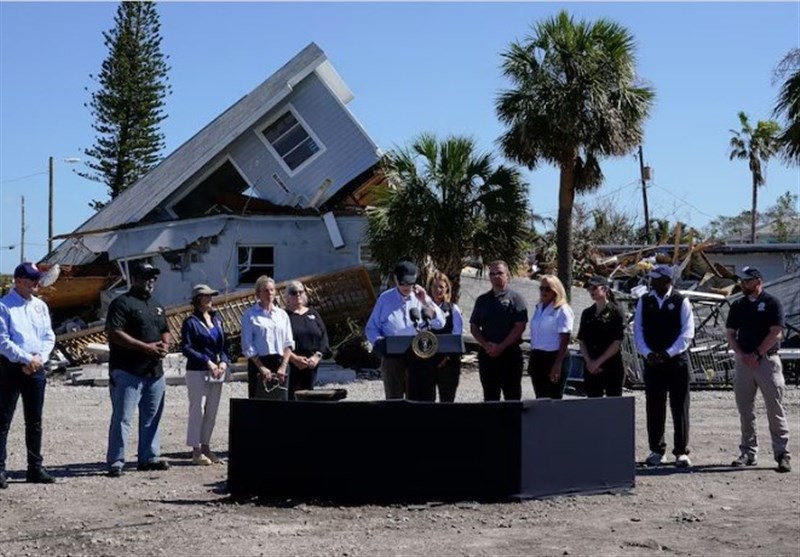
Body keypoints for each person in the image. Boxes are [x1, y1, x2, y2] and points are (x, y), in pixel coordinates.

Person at [106, 262, 173, 477]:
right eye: (146, 277)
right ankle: (116, 461)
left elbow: (165, 330)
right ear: (134, 278)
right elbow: (115, 333)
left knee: (152, 417)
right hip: (127, 370)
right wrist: (145, 347)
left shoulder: (157, 305)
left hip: (154, 372)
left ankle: (149, 457)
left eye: (153, 277)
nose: (150, 281)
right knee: (123, 417)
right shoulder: (121, 303)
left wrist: (165, 344)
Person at [725, 266, 791, 473]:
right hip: (744, 363)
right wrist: (742, 354)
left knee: (774, 408)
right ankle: (748, 451)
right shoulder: (738, 305)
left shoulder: (772, 303)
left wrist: (757, 353)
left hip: (767, 361)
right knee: (745, 409)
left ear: (757, 281)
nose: (743, 284)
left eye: (747, 281)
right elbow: (730, 333)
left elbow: (776, 332)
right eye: (742, 281)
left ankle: (782, 453)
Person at [0, 262, 56, 489]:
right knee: (3, 419)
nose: (37, 283)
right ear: (19, 281)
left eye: (37, 279)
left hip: (35, 368)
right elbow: (3, 341)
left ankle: (35, 467)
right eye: (32, 279)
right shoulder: (4, 306)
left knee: (34, 421)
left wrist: (38, 359)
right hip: (11, 368)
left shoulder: (40, 306)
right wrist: (26, 359)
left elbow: (48, 336)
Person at [634, 264, 695, 468]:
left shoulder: (681, 300)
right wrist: (647, 353)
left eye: (656, 278)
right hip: (652, 361)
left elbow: (687, 333)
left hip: (676, 361)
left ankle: (681, 451)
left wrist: (667, 353)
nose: (652, 282)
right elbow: (638, 329)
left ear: (668, 281)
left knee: (679, 406)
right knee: (654, 406)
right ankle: (657, 450)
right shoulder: (645, 300)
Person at [365, 261, 445, 400]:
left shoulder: (420, 297)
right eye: (403, 283)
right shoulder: (385, 299)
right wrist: (379, 342)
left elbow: (440, 323)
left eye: (410, 283)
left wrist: (425, 300)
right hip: (392, 355)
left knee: (419, 396)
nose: (407, 287)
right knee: (394, 397)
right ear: (396, 279)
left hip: (418, 353)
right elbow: (371, 327)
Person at [180, 284, 230, 466]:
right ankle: (196, 449)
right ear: (198, 299)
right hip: (197, 370)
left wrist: (223, 362)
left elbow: (226, 345)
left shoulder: (218, 319)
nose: (210, 299)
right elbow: (186, 347)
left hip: (217, 370)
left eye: (211, 296)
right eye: (206, 296)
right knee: (198, 410)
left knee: (212, 410)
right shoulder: (190, 322)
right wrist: (207, 362)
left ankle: (206, 446)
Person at [469, 260, 528, 401]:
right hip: (487, 354)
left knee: (512, 396)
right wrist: (485, 345)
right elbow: (474, 326)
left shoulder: (516, 299)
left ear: (507, 274)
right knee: (490, 396)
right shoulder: (482, 300)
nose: (496, 276)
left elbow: (520, 326)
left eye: (500, 273)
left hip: (510, 355)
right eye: (492, 273)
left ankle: (512, 423)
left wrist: (501, 346)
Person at [241, 276, 294, 399]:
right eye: (265, 290)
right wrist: (262, 368)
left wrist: (284, 366)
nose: (269, 293)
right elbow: (247, 345)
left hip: (281, 362)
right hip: (259, 362)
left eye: (271, 290)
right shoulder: (250, 315)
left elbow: (289, 342)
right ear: (258, 294)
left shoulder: (282, 314)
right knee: (259, 404)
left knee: (281, 403)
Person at [577, 275, 626, 398]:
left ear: (604, 289)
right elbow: (582, 340)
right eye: (589, 289)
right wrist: (589, 362)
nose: (591, 292)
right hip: (591, 366)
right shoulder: (587, 313)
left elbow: (616, 342)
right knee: (593, 405)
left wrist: (598, 362)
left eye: (594, 288)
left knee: (613, 405)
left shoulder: (616, 312)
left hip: (611, 366)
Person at [528, 274, 574, 399]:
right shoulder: (539, 307)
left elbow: (565, 339)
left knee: (554, 399)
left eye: (547, 289)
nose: (543, 292)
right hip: (538, 356)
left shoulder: (562, 310)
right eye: (541, 288)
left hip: (555, 356)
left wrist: (557, 364)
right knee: (540, 398)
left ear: (556, 290)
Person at [285, 280, 332, 401]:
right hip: (291, 364)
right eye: (293, 292)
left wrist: (317, 356)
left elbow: (323, 336)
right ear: (287, 296)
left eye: (301, 292)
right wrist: (294, 358)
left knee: (309, 399)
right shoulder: (284, 316)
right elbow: (278, 340)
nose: (298, 295)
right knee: (290, 399)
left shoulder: (313, 313)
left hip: (311, 364)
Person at [427, 271, 464, 402]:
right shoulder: (422, 309)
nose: (438, 290)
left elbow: (457, 335)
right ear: (430, 288)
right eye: (435, 286)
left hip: (449, 362)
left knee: (447, 401)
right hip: (427, 361)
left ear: (447, 288)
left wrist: (446, 358)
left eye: (441, 287)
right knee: (426, 401)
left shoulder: (453, 309)